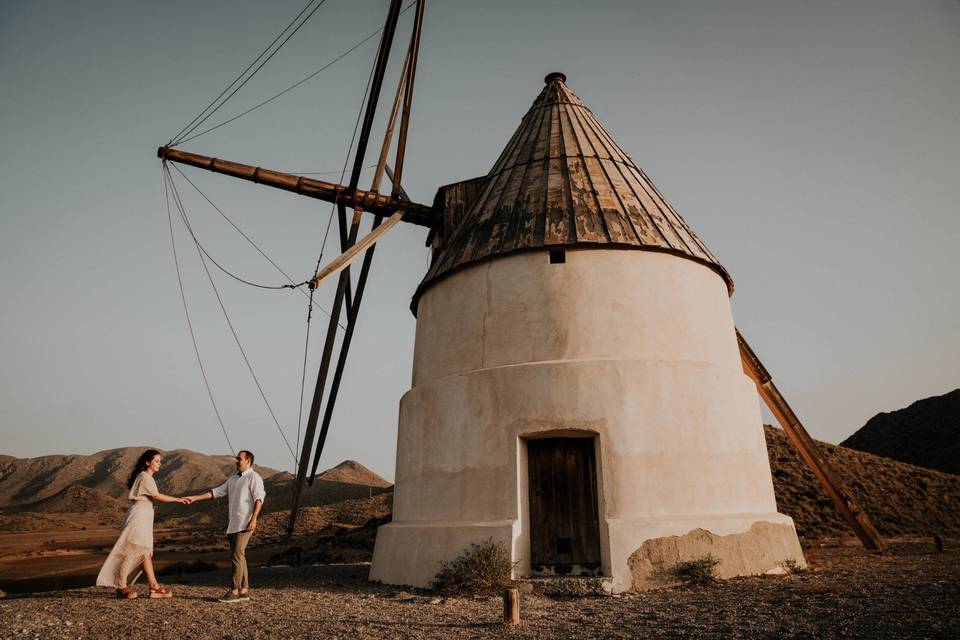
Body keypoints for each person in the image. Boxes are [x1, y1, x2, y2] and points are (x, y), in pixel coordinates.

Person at [96, 449, 189, 599]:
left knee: (145, 551)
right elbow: (157, 496)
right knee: (130, 550)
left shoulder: (147, 478)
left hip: (144, 515)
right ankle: (121, 587)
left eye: (160, 461)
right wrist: (178, 499)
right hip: (138, 515)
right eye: (157, 461)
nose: (160, 463)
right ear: (147, 462)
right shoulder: (144, 477)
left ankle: (154, 588)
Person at [185, 450, 265, 603]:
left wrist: (254, 519)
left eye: (240, 459)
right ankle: (244, 591)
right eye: (236, 458)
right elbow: (216, 492)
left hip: (245, 523)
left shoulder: (254, 477)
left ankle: (234, 591)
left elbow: (259, 499)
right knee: (240, 556)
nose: (236, 461)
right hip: (233, 524)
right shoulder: (233, 479)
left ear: (249, 461)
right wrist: (195, 498)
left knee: (236, 555)